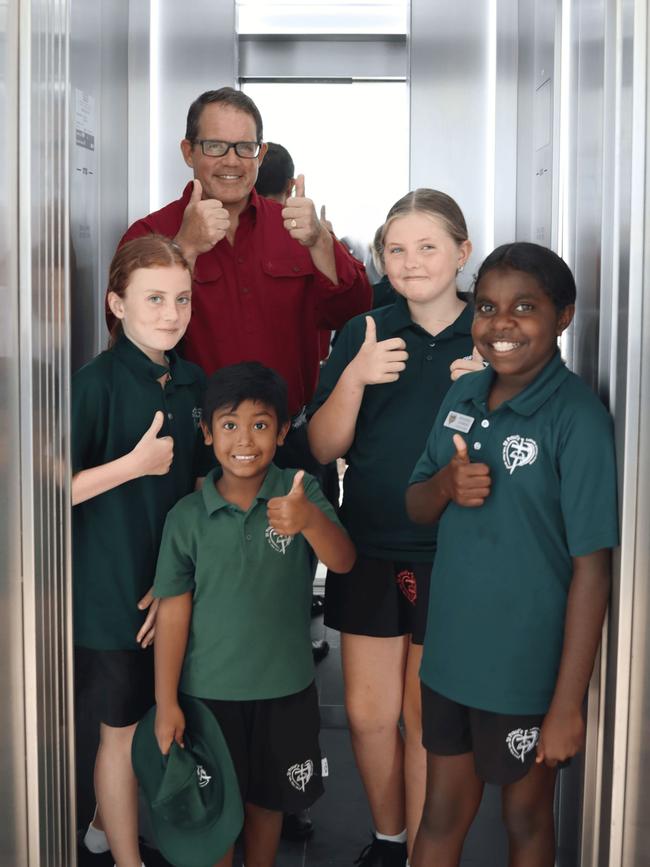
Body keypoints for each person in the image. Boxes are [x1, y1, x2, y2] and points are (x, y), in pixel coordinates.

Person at [406, 242, 618, 866]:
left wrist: (566, 707)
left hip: (525, 673)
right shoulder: (462, 397)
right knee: (442, 812)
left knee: (525, 817)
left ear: (563, 317)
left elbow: (592, 569)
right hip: (449, 660)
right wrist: (445, 486)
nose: (501, 324)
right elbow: (415, 504)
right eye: (487, 307)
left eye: (524, 307)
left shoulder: (577, 419)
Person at [308, 189, 474, 865]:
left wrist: (491, 385)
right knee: (371, 713)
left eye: (428, 246)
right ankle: (389, 839)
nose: (411, 262)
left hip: (455, 552)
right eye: (396, 250)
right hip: (370, 543)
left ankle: (423, 854)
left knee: (424, 716)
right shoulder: (365, 331)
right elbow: (321, 448)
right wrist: (353, 377)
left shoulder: (491, 337)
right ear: (380, 257)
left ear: (463, 253)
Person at [151, 361, 356, 867]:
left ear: (284, 431)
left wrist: (308, 520)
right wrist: (166, 702)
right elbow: (173, 613)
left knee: (269, 806)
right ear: (206, 432)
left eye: (261, 425)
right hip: (207, 699)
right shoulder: (186, 517)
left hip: (285, 691)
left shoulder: (299, 490)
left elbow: (343, 560)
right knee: (215, 811)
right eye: (229, 425)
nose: (245, 439)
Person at [111, 87, 371, 432]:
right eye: (215, 146)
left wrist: (320, 241)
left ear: (260, 154)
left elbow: (354, 314)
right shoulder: (149, 233)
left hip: (289, 438)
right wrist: (184, 249)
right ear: (189, 152)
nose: (232, 161)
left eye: (245, 148)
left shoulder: (295, 228)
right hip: (189, 442)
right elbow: (124, 339)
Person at [72, 236, 212, 867]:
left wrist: (178, 580)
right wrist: (132, 466)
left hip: (170, 588)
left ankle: (107, 829)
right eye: (153, 298)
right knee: (121, 731)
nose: (171, 313)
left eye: (181, 299)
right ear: (116, 305)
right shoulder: (94, 385)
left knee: (158, 720)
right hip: (111, 595)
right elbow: (48, 495)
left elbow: (198, 494)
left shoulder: (190, 381)